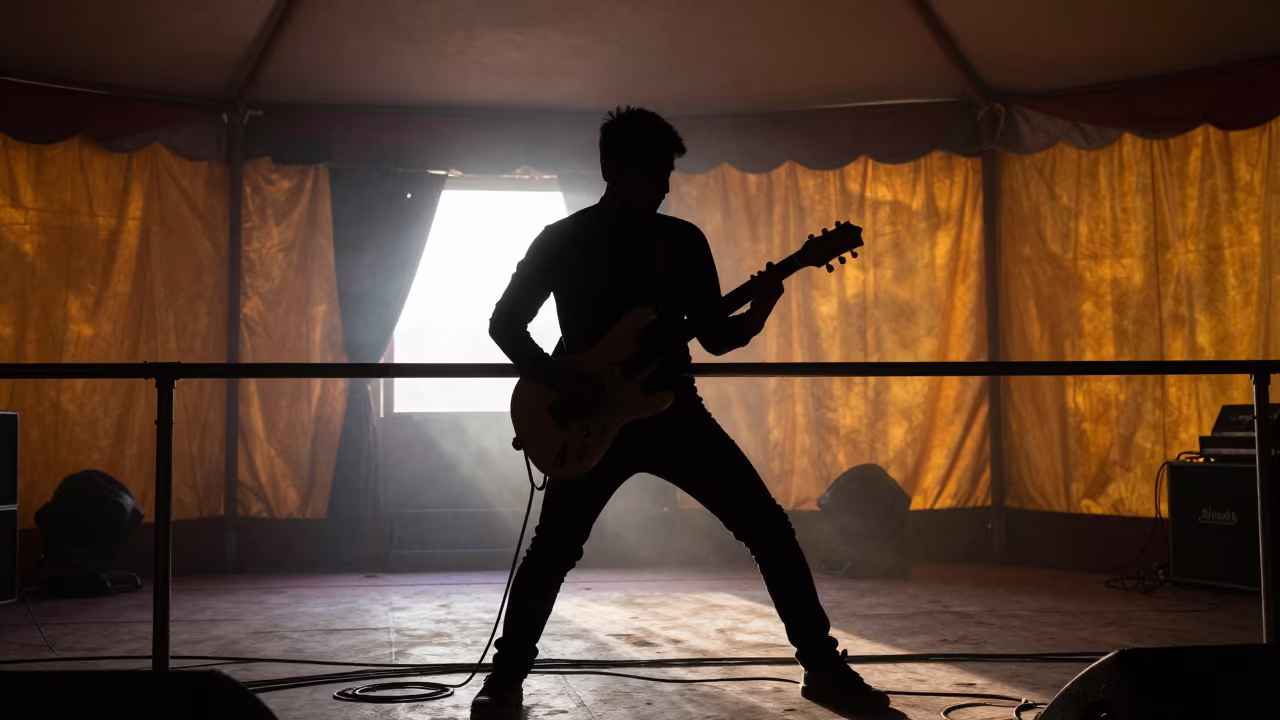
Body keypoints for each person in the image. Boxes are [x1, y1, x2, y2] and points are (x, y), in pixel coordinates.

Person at [475, 106, 891, 718]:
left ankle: (823, 669)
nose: (665, 184)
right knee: (552, 551)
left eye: (667, 172)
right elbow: (504, 325)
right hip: (592, 421)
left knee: (769, 530)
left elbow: (716, 339)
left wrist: (765, 301)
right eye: (652, 171)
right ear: (612, 168)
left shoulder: (682, 241)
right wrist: (565, 380)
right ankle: (504, 680)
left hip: (673, 410)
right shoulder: (563, 240)